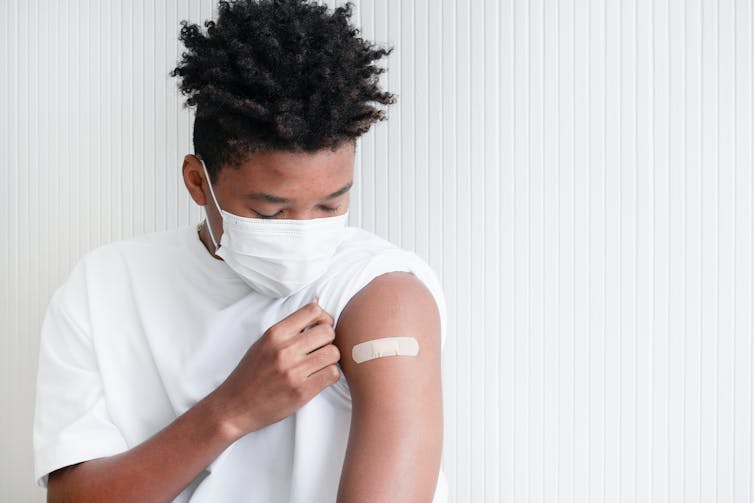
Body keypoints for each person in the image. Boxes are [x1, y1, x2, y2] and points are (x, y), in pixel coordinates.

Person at [32, 0, 448, 501]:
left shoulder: (383, 295)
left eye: (329, 205)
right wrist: (231, 409)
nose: (303, 232)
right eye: (270, 213)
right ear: (197, 182)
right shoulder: (103, 285)